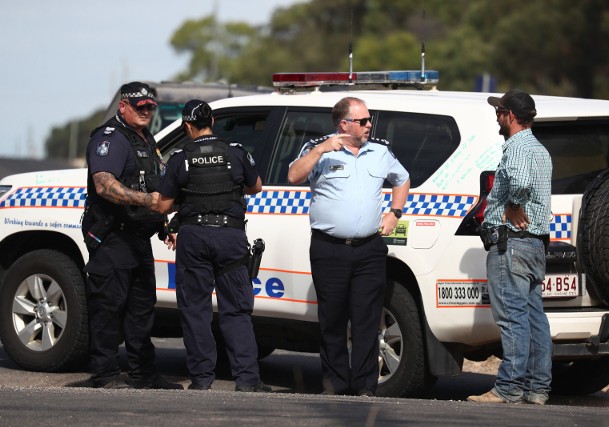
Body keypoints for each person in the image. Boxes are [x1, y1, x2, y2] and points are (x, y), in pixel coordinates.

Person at [288, 97, 410, 396]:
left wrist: (395, 212)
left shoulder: (380, 151)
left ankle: (365, 386)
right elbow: (293, 176)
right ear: (344, 124)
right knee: (332, 320)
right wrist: (320, 150)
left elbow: (402, 179)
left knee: (367, 319)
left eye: (369, 120)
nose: (369, 125)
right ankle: (336, 384)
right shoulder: (320, 150)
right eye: (364, 121)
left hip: (369, 249)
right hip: (329, 249)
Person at [156, 100, 271, 392]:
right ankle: (247, 379)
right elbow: (256, 185)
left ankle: (202, 379)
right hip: (229, 237)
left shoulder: (181, 157)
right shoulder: (235, 152)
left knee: (195, 309)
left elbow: (163, 206)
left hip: (194, 237)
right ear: (212, 123)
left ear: (187, 126)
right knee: (236, 310)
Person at [82, 82, 182, 390]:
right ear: (123, 106)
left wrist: (163, 221)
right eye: (140, 107)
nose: (147, 112)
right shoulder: (110, 138)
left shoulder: (145, 138)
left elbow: (153, 181)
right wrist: (147, 201)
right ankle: (106, 374)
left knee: (141, 309)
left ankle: (143, 373)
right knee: (108, 308)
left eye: (151, 107)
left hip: (138, 238)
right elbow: (103, 184)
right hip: (113, 237)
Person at [468, 89, 553, 405]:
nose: (497, 116)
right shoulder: (540, 150)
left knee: (512, 318)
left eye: (500, 111)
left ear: (512, 116)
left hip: (512, 244)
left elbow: (519, 181)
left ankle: (508, 388)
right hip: (533, 245)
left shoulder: (516, 147)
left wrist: (514, 204)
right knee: (534, 318)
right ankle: (537, 388)